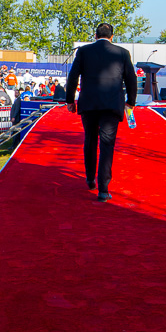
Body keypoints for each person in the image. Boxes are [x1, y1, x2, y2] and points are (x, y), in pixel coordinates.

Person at [65, 22, 135, 201]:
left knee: (90, 140)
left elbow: (73, 76)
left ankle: (90, 179)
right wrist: (131, 102)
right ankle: (103, 189)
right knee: (107, 144)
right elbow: (131, 79)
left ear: (95, 36)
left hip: (89, 103)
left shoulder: (83, 51)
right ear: (112, 37)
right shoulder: (122, 53)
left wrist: (69, 100)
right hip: (111, 104)